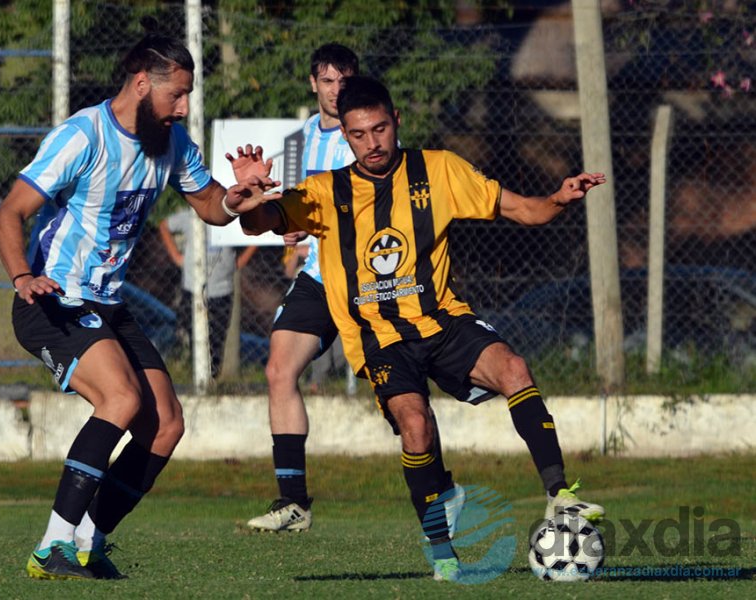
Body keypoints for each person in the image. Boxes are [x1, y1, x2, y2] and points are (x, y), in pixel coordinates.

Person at [232, 75, 606, 581]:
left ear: (396, 122)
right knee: (416, 426)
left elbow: (521, 209)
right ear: (344, 135)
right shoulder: (326, 191)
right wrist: (249, 199)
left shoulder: (440, 169)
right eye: (359, 134)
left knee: (514, 368)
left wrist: (558, 199)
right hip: (380, 340)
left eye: (380, 129)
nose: (372, 143)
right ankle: (442, 551)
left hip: (443, 320)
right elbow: (265, 223)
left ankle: (560, 496)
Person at [0, 21, 277, 581]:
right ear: (143, 83)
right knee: (120, 399)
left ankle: (89, 542)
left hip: (107, 306)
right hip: (54, 301)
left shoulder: (170, 143)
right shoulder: (83, 136)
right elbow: (9, 212)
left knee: (166, 424)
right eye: (179, 94)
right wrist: (23, 276)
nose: (185, 106)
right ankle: (53, 545)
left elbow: (211, 207)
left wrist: (240, 198)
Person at [244, 43, 359, 533]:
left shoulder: (365, 136)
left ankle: (441, 491)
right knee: (278, 369)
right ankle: (293, 501)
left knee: (403, 395)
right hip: (318, 277)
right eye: (327, 81)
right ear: (313, 84)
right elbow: (290, 210)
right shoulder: (297, 144)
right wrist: (285, 224)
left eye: (343, 81)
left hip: (368, 276)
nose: (336, 90)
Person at [158, 210, 257, 378]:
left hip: (221, 289)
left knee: (217, 339)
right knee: (190, 334)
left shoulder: (230, 217)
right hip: (193, 288)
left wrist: (242, 260)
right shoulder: (191, 216)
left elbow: (256, 233)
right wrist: (176, 256)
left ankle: (212, 377)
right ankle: (192, 372)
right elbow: (164, 225)